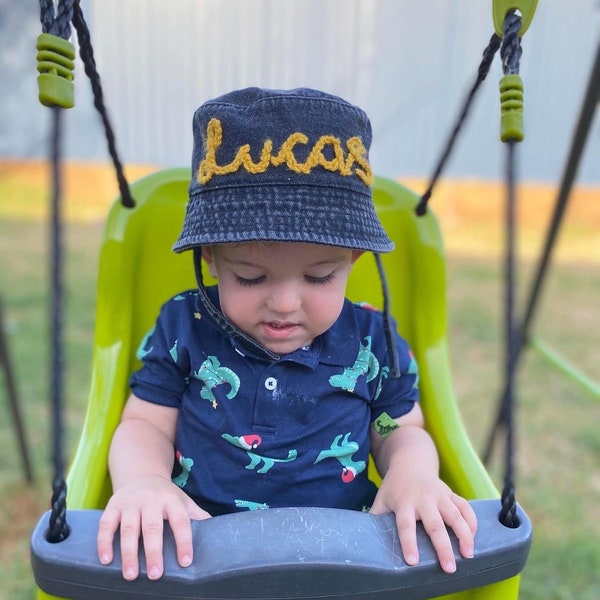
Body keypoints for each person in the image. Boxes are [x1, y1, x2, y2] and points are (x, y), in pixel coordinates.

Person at [97, 87, 477, 582]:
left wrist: (413, 475)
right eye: (250, 277)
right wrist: (144, 481)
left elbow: (400, 429)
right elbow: (145, 424)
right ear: (210, 256)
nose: (283, 303)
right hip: (201, 560)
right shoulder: (184, 327)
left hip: (342, 567)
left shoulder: (372, 341)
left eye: (319, 278)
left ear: (352, 260)